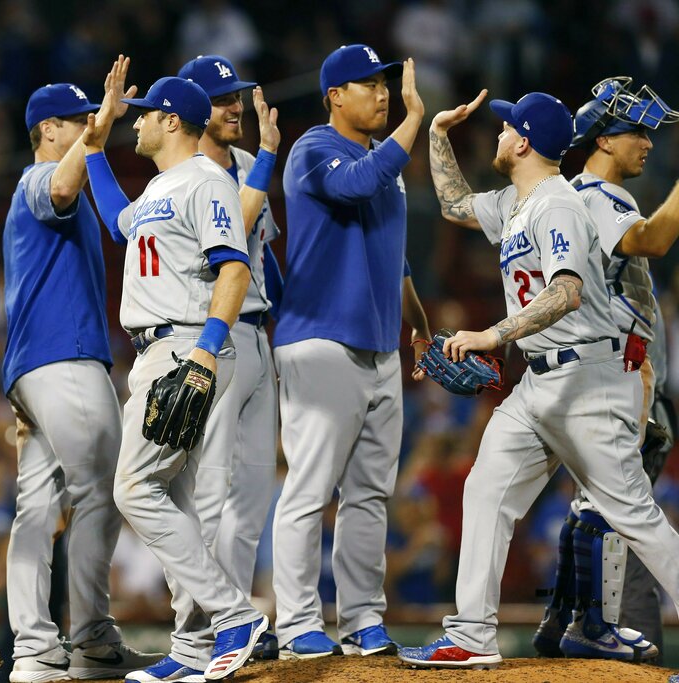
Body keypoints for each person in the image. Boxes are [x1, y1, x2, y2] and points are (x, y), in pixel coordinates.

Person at [398, 89, 679, 669]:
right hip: (541, 384)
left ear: (522, 140)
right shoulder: (517, 202)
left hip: (591, 380)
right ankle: (472, 634)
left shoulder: (558, 206)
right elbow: (453, 204)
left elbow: (567, 291)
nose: (497, 134)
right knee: (486, 489)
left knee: (637, 519)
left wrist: (491, 335)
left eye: (505, 127)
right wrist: (435, 135)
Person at [82, 58, 268, 682]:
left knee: (134, 490)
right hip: (158, 349)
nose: (136, 125)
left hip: (187, 346)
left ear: (170, 120)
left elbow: (234, 269)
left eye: (142, 117)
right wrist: (95, 144)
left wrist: (206, 351)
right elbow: (116, 220)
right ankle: (192, 652)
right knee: (180, 508)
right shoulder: (162, 188)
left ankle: (231, 617)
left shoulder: (205, 179)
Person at [271, 44, 430, 660]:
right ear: (334, 95)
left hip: (380, 349)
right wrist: (415, 121)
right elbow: (360, 187)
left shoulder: (376, 160)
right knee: (309, 491)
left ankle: (363, 619)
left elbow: (396, 258)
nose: (383, 93)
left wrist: (417, 324)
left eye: (386, 84)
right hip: (318, 344)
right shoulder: (314, 150)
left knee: (369, 494)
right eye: (367, 84)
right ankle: (297, 625)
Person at [2, 80, 162, 683]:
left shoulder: (41, 185)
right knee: (103, 490)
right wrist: (98, 134)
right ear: (48, 130)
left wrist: (93, 132)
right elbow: (64, 183)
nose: (88, 125)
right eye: (75, 120)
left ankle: (34, 650)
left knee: (38, 507)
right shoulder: (35, 178)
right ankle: (91, 636)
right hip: (62, 361)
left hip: (33, 368)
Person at [531, 77, 679, 662]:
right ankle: (625, 660)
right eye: (636, 131)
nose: (648, 142)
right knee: (630, 529)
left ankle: (559, 624)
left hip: (609, 379)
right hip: (621, 380)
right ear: (603, 138)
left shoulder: (577, 196)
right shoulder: (596, 194)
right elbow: (652, 240)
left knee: (595, 508)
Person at [174, 54, 283, 659]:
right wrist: (268, 157)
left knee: (252, 493)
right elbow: (232, 238)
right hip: (213, 334)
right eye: (221, 100)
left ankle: (234, 620)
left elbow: (263, 254)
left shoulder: (243, 164)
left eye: (236, 95)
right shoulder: (187, 172)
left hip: (258, 332)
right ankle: (197, 632)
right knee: (209, 492)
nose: (234, 106)